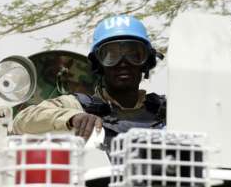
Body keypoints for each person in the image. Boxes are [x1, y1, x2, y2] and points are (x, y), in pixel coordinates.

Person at [13, 15, 165, 149]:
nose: (123, 63)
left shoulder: (167, 111)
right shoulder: (78, 106)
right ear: (98, 64)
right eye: (111, 55)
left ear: (146, 62)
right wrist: (72, 118)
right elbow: (22, 120)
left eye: (134, 54)